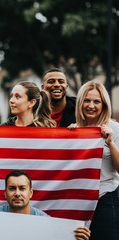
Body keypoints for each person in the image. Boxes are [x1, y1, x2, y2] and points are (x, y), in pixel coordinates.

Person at [68, 80, 119, 240]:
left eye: (97, 101)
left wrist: (110, 143)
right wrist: (67, 138)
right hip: (80, 200)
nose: (91, 105)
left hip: (105, 198)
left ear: (103, 105)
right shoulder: (75, 130)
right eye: (87, 100)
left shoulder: (114, 129)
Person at [0, 170, 91, 240]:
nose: (17, 193)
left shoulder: (45, 221)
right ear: (5, 193)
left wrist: (76, 237)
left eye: (22, 188)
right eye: (12, 188)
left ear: (30, 193)